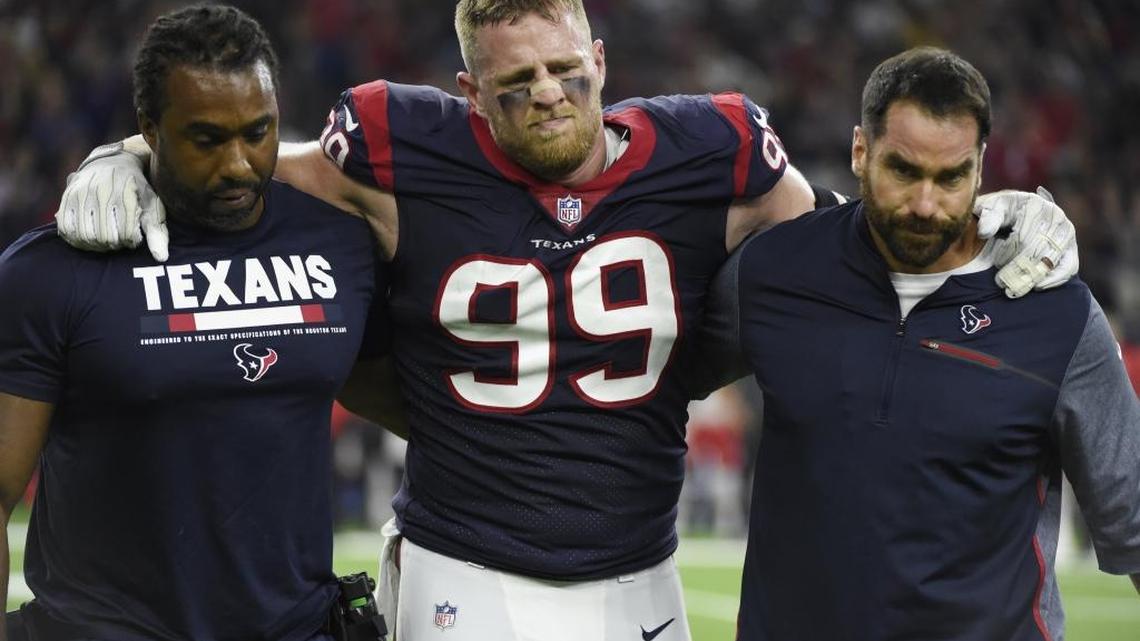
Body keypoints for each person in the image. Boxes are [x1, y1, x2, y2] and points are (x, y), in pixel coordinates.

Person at [51, 3, 1081, 640]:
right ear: (468, 93)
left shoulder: (713, 146)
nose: (548, 93)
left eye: (565, 69)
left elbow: (841, 251)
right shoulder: (398, 144)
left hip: (641, 557)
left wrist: (984, 221)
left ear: (600, 54)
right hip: (469, 556)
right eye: (515, 82)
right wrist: (131, 158)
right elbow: (243, 178)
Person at [704, 47, 1140, 640]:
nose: (926, 204)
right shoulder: (774, 273)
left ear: (981, 167)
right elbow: (649, 380)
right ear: (860, 150)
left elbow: (1134, 520)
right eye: (904, 171)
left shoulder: (1056, 314)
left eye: (951, 176)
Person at [0, 5, 394, 641]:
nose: (238, 163)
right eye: (207, 139)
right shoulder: (52, 270)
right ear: (149, 130)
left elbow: (412, 405)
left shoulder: (341, 244)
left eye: (257, 132)